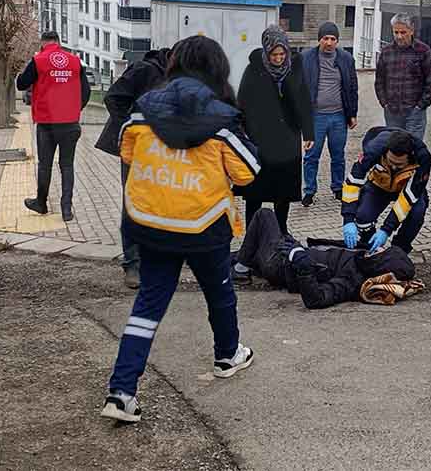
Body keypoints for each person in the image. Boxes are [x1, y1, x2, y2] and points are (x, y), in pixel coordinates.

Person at [102, 35, 260, 423]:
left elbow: (126, 149)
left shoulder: (142, 111)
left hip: (151, 224)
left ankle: (121, 392)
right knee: (219, 295)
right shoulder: (222, 118)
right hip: (204, 226)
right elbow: (248, 172)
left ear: (174, 65)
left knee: (148, 305)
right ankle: (227, 355)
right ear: (217, 70)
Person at [95, 48, 172, 289]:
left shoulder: (176, 76)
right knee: (133, 204)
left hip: (160, 151)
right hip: (135, 150)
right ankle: (132, 263)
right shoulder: (144, 70)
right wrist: (131, 129)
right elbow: (113, 97)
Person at [234, 208, 416, 309]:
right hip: (290, 253)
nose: (379, 249)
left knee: (264, 215)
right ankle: (238, 263)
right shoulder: (363, 258)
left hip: (280, 264)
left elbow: (316, 299)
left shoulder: (352, 279)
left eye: (382, 253)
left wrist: (300, 261)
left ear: (381, 265)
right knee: (246, 251)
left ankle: (240, 270)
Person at [236, 27, 314, 236]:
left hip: (288, 138)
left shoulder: (295, 69)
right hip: (260, 138)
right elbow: (242, 103)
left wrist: (309, 133)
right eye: (274, 55)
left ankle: (282, 229)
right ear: (266, 52)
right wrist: (242, 132)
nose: (279, 58)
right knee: (256, 191)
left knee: (284, 189)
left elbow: (304, 101)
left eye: (282, 54)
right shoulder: (253, 70)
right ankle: (253, 231)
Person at [16, 31, 90, 222]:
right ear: (58, 42)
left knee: (45, 165)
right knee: (67, 165)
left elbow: (21, 84)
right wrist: (74, 109)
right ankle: (66, 210)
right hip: (70, 123)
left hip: (47, 123)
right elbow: (86, 92)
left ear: (43, 44)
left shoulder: (38, 60)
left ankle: (41, 203)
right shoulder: (75, 61)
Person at [340, 127, 431, 254]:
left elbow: (409, 197)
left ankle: (399, 249)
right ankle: (370, 245)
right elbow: (353, 181)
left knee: (417, 213)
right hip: (379, 184)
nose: (394, 166)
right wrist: (348, 219)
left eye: (399, 164)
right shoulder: (373, 150)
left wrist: (386, 230)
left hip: (407, 187)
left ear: (410, 156)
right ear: (385, 152)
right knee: (362, 216)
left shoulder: (423, 158)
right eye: (390, 162)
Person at [300, 22, 359, 207]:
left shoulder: (346, 59)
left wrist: (352, 114)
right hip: (315, 117)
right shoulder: (306, 58)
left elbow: (352, 87)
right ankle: (309, 191)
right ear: (319, 39)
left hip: (338, 117)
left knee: (338, 155)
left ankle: (337, 188)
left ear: (337, 41)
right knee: (311, 156)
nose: (329, 42)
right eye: (325, 38)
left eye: (333, 39)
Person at [375, 14, 431, 140]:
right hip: (392, 112)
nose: (399, 36)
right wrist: (384, 103)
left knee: (414, 148)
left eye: (403, 32)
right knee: (395, 148)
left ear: (411, 30)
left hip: (414, 112)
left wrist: (421, 105)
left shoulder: (423, 51)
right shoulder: (386, 52)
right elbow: (379, 81)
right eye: (396, 32)